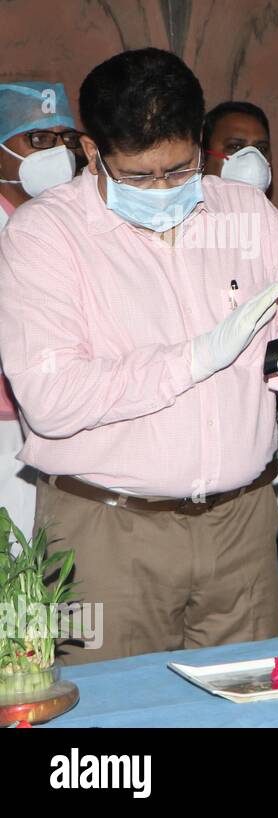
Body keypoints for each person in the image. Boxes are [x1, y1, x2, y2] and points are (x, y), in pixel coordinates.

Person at [0, 48, 278, 663]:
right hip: (105, 528)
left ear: (201, 139)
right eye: (137, 175)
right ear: (91, 148)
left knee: (250, 702)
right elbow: (51, 401)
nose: (161, 189)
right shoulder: (45, 234)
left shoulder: (247, 214)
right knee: (113, 718)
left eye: (179, 170)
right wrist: (195, 358)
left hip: (242, 521)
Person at [200, 98, 278, 637]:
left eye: (261, 148)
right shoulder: (188, 240)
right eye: (236, 146)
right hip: (225, 477)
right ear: (203, 156)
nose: (251, 159)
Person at [0, 81, 81, 537]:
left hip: (67, 437)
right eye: (39, 139)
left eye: (68, 140)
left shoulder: (79, 227)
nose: (58, 153)